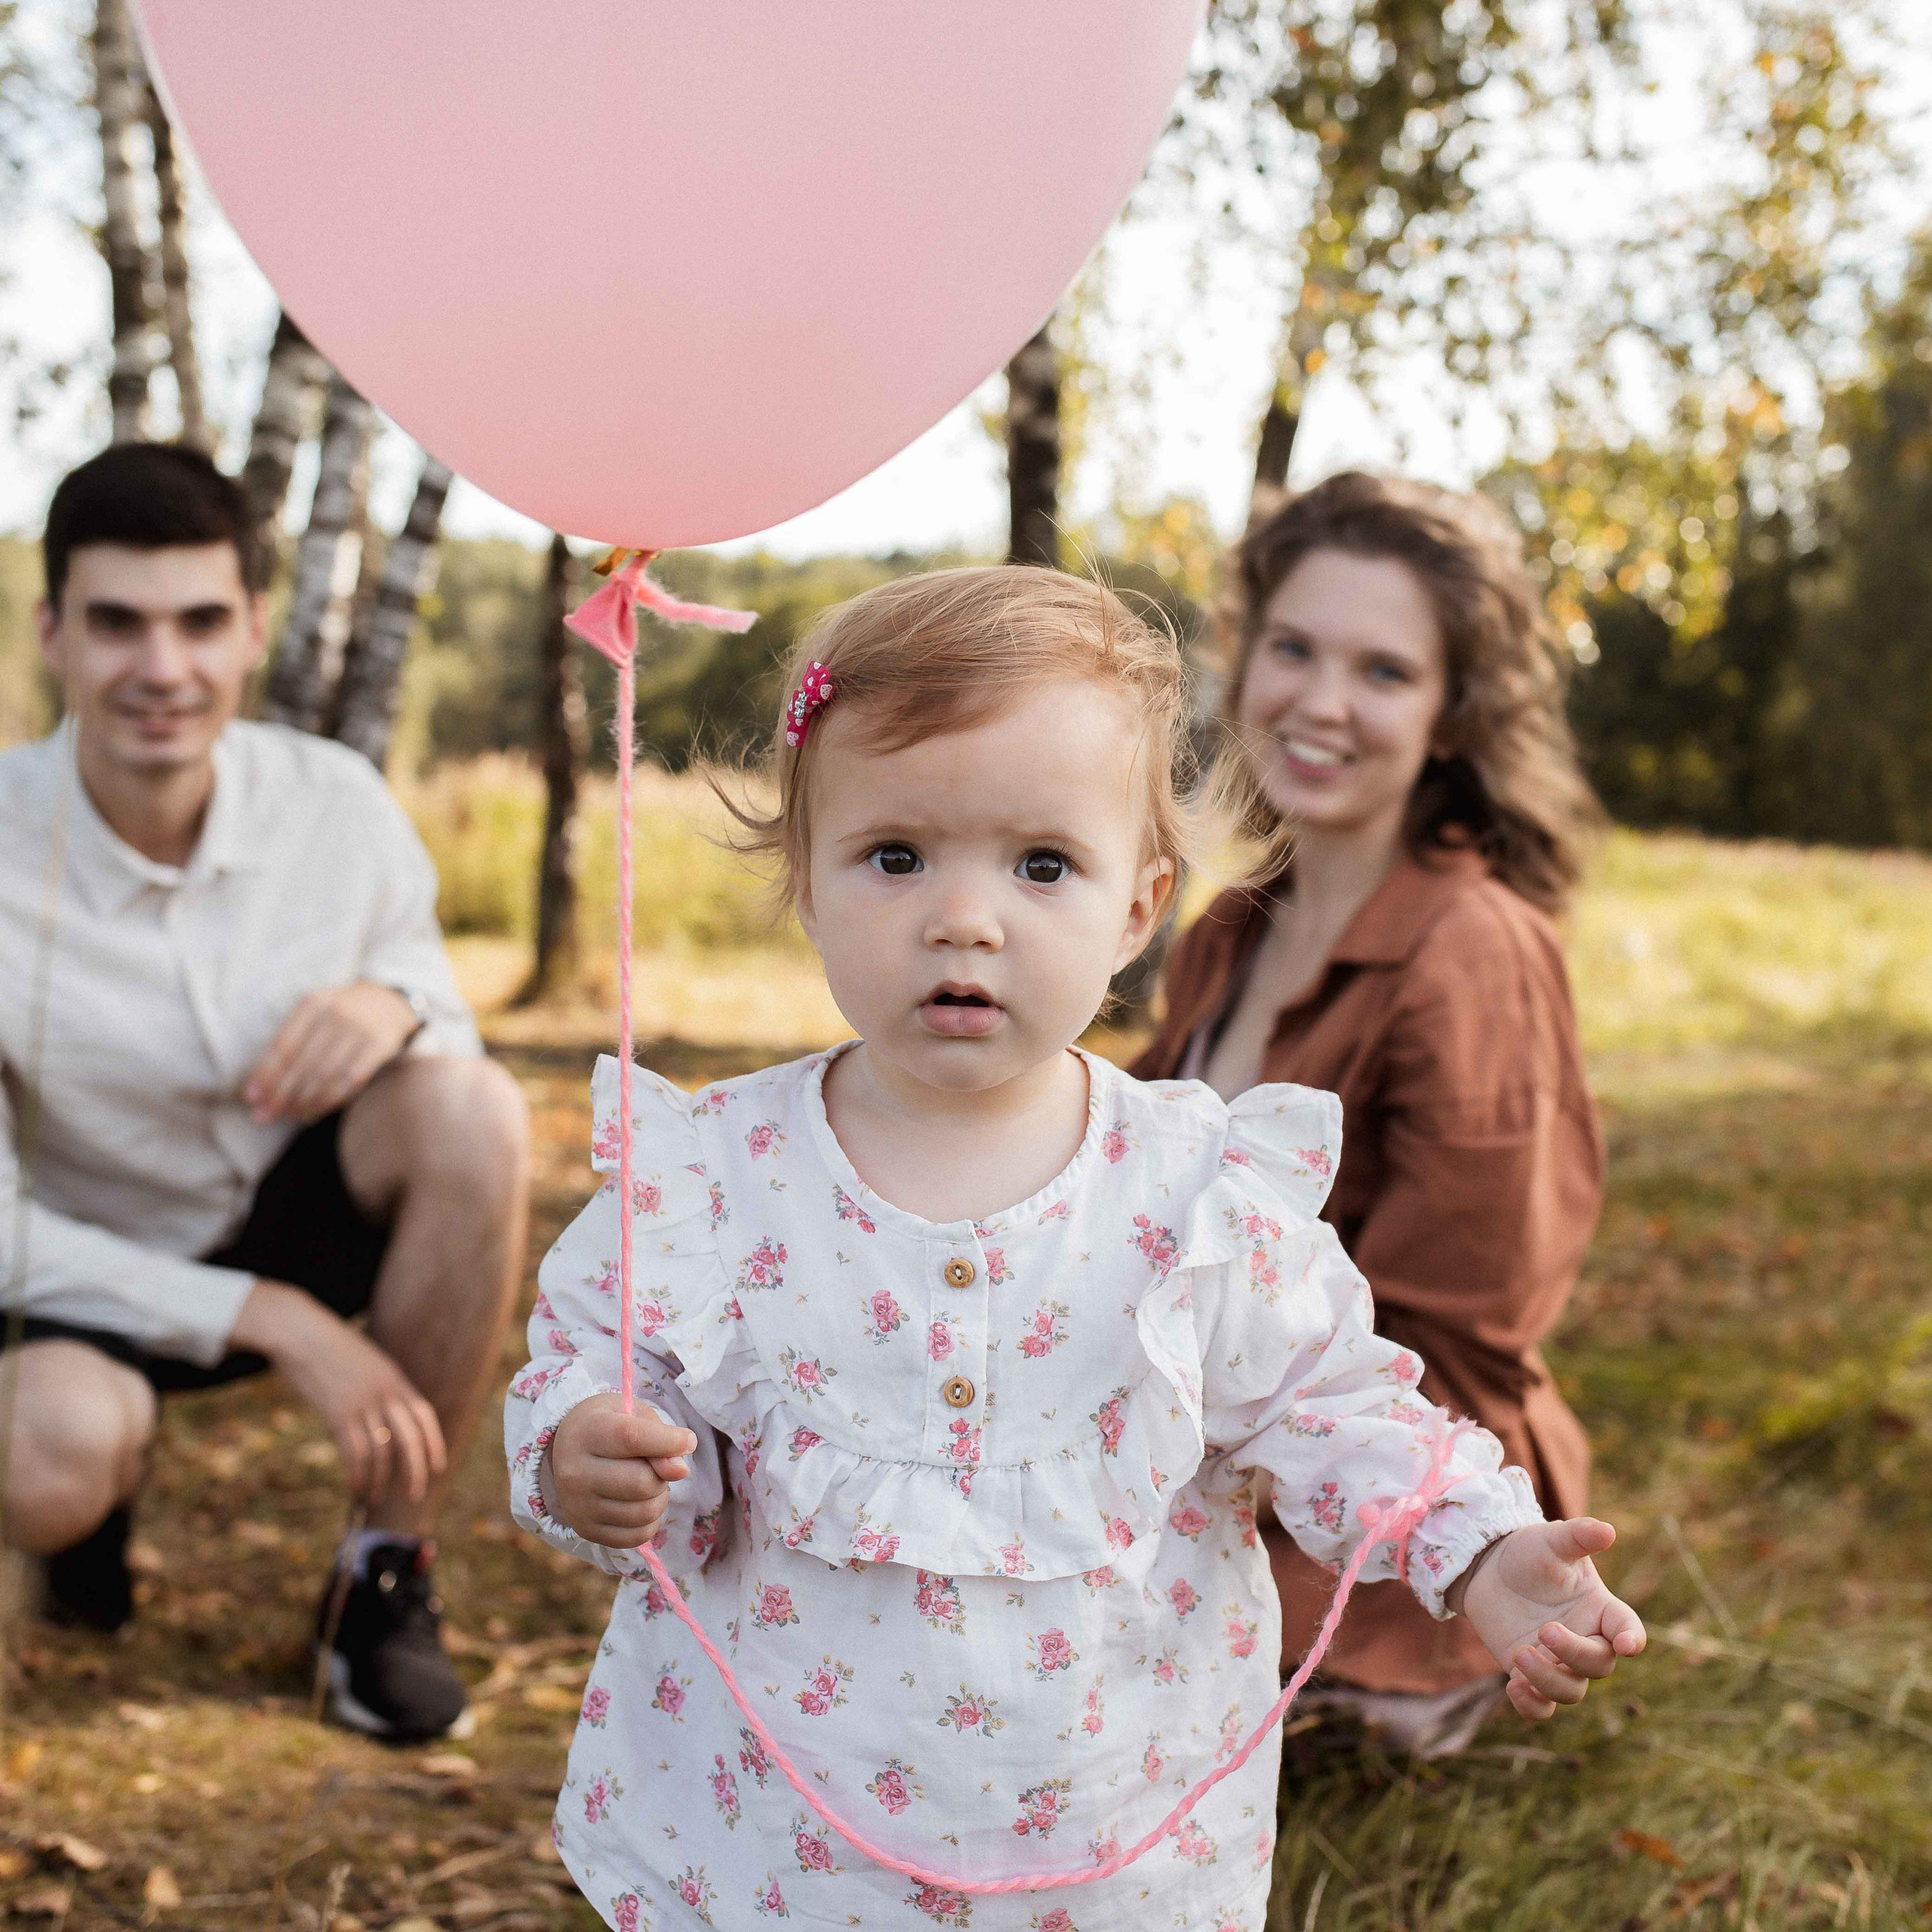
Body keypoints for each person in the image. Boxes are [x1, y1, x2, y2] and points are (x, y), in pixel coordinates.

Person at [504, 565, 1643, 1930]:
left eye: (1042, 865)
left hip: (1113, 1819)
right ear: (803, 878)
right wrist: (588, 1454)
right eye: (896, 856)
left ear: (1139, 906)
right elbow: (607, 1376)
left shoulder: (1193, 1192)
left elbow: (1331, 1412)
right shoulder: (718, 1180)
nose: (965, 917)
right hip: (776, 1835)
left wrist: (1476, 1556)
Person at [0, 441, 530, 1743]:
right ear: (53, 630)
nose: (162, 669)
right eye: (118, 622)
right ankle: (87, 1508)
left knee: (473, 1109)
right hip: (70, 1273)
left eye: (198, 622)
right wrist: (280, 1318)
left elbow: (440, 1012)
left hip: (285, 1200)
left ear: (250, 630)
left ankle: (382, 1584)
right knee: (48, 1452)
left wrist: (398, 1002)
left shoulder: (335, 809)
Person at [1133, 472, 1607, 1758]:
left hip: (1380, 1492)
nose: (1321, 701)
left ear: (1452, 715)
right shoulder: (1230, 928)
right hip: (1200, 1431)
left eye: (1384, 671)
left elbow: (1467, 1334)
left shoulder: (1474, 949)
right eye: (1293, 647)